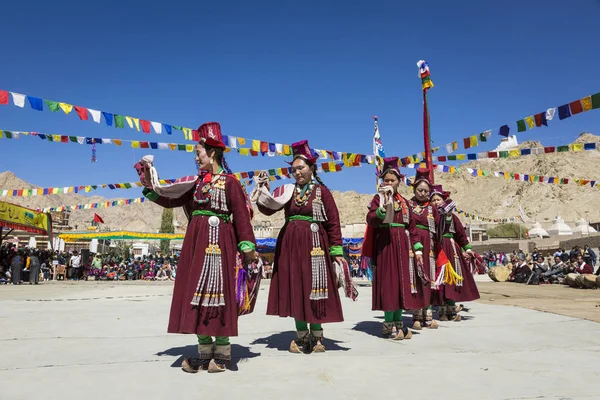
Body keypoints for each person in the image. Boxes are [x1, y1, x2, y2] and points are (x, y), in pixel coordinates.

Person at [139, 122, 257, 373]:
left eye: (198, 152)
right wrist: (150, 187)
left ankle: (223, 353)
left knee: (221, 295)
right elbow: (171, 199)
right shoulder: (194, 184)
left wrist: (247, 247)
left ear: (212, 153)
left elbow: (241, 216)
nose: (195, 157)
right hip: (196, 244)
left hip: (222, 243)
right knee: (196, 294)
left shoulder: (231, 183)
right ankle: (204, 352)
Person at [253, 140, 345, 354]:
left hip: (316, 247)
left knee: (316, 287)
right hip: (291, 246)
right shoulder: (287, 191)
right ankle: (302, 335)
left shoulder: (323, 192)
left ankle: (318, 336)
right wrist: (263, 192)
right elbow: (268, 210)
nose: (296, 173)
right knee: (296, 287)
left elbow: (333, 222)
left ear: (311, 168)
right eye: (293, 170)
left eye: (300, 168)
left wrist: (337, 251)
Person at [364, 157, 425, 340]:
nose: (389, 183)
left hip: (403, 248)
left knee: (401, 285)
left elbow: (412, 229)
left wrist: (418, 250)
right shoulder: (377, 199)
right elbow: (370, 218)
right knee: (389, 285)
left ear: (399, 182)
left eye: (393, 180)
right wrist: (381, 211)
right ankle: (388, 324)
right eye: (387, 180)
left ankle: (399, 323)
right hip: (385, 245)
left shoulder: (406, 203)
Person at [429, 185, 480, 321]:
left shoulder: (453, 217)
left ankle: (451, 309)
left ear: (444, 201)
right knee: (440, 281)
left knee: (451, 281)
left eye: (438, 199)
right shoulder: (429, 217)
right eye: (433, 200)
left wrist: (467, 248)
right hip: (436, 249)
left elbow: (461, 235)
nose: (436, 202)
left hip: (451, 251)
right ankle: (442, 311)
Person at [407, 169, 439, 330]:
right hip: (412, 245)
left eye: (426, 191)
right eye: (420, 190)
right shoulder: (408, 205)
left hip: (429, 247)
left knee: (428, 279)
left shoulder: (432, 208)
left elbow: (438, 228)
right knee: (416, 279)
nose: (423, 193)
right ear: (414, 189)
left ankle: (428, 314)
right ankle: (416, 316)